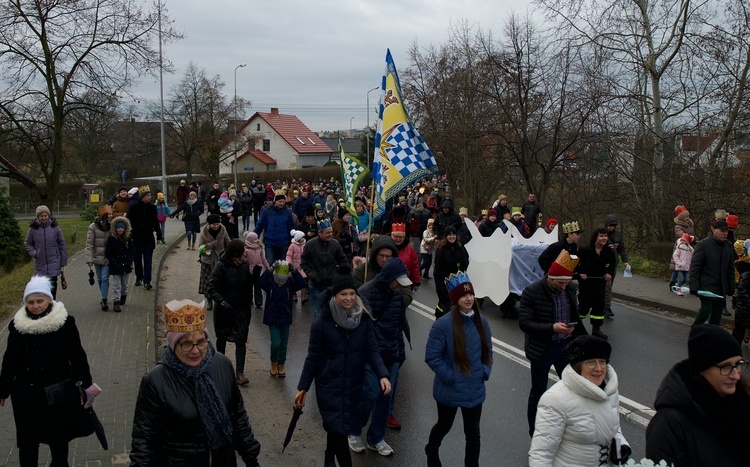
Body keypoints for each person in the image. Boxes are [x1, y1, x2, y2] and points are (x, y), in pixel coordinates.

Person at [130, 299, 261, 466]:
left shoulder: (222, 365)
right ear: (173, 344)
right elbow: (143, 440)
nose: (195, 350)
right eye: (186, 344)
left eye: (201, 341)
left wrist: (251, 457)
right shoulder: (156, 381)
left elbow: (237, 416)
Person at [295, 265, 392, 467]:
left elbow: (372, 350)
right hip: (329, 384)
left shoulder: (363, 319)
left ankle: (329, 459)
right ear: (334, 296)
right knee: (338, 430)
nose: (348, 298)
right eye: (343, 294)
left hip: (354, 385)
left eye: (351, 293)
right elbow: (312, 357)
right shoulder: (321, 323)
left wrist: (382, 374)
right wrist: (303, 387)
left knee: (338, 428)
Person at [0, 275, 101, 466]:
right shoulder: (17, 326)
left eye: (40, 301)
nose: (35, 305)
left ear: (49, 300)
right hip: (26, 395)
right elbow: (10, 358)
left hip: (58, 392)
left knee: (58, 441)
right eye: (30, 302)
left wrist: (85, 387)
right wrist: (3, 388)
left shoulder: (64, 323)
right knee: (28, 443)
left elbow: (78, 356)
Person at [646, 324, 750, 466]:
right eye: (725, 366)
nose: (736, 375)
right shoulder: (669, 425)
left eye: (738, 364)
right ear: (702, 369)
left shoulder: (742, 401)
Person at [529, 335, 631, 466]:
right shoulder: (555, 399)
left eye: (602, 361)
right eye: (591, 362)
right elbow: (540, 455)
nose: (599, 368)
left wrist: (621, 445)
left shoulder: (610, 391)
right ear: (578, 366)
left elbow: (613, 429)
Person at [425, 272, 492, 467]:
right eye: (463, 295)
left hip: (475, 388)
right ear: (455, 298)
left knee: (473, 434)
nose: (469, 298)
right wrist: (451, 376)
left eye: (470, 294)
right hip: (450, 389)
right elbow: (432, 357)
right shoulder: (442, 324)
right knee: (444, 426)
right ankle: (432, 449)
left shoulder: (482, 322)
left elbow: (488, 351)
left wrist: (484, 372)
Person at [519, 251, 587, 436]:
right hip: (543, 348)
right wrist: (552, 328)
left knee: (572, 389)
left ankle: (567, 429)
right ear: (551, 278)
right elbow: (525, 323)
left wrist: (581, 337)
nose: (564, 287)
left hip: (565, 346)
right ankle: (536, 432)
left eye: (567, 283)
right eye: (561, 283)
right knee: (539, 391)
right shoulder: (532, 292)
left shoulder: (570, 289)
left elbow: (575, 316)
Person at [349, 258, 412, 457]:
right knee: (369, 393)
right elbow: (356, 328)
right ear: (389, 277)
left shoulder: (397, 297)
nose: (399, 286)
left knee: (385, 398)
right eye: (398, 281)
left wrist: (399, 355)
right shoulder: (365, 293)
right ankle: (354, 430)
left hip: (390, 355)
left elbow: (399, 326)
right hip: (370, 356)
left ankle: (376, 438)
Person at [208, 239, 256, 386]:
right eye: (243, 251)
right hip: (224, 310)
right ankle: (221, 370)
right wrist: (222, 302)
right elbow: (212, 287)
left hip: (241, 309)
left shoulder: (245, 264)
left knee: (241, 340)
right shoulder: (221, 266)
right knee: (221, 338)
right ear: (235, 253)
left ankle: (239, 373)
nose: (245, 253)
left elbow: (248, 283)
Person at [258, 261, 306, 377]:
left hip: (285, 318)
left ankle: (281, 363)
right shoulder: (270, 283)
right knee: (275, 343)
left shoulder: (290, 284)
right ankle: (273, 361)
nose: (280, 282)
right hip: (272, 318)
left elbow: (302, 283)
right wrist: (270, 269)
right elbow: (261, 282)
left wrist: (294, 271)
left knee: (283, 344)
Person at [689, 219, 735, 325]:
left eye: (726, 231)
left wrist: (731, 285)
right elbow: (695, 267)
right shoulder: (703, 245)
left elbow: (730, 267)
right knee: (706, 309)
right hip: (706, 285)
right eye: (721, 231)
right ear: (713, 230)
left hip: (720, 286)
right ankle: (696, 329)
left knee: (717, 314)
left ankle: (712, 334)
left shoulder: (728, 245)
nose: (724, 233)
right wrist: (694, 285)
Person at [301, 219, 347, 317]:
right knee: (318, 313)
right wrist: (311, 275)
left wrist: (338, 274)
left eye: (331, 232)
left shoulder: (335, 244)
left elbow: (343, 261)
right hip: (316, 284)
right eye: (327, 233)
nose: (330, 234)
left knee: (332, 312)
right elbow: (304, 262)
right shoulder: (310, 244)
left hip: (331, 284)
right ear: (320, 233)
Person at [577, 227, 616, 340]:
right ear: (595, 237)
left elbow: (612, 265)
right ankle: (575, 325)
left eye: (605, 236)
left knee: (599, 306)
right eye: (601, 236)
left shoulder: (609, 252)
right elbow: (576, 264)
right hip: (586, 283)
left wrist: (609, 274)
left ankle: (596, 329)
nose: (604, 238)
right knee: (584, 307)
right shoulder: (584, 250)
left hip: (600, 282)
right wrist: (581, 273)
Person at [24, 205, 67, 299]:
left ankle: (52, 305)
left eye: (45, 215)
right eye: (41, 216)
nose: (44, 218)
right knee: (43, 287)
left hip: (53, 262)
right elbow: (27, 243)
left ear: (48, 216)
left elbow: (62, 244)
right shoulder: (33, 228)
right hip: (40, 263)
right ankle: (44, 306)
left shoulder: (55, 227)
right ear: (38, 217)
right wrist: (35, 254)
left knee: (53, 286)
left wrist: (63, 262)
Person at [127, 185, 162, 290]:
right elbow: (129, 222)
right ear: (142, 197)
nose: (149, 197)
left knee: (148, 261)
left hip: (148, 238)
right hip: (136, 238)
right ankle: (139, 277)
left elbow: (156, 222)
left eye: (150, 195)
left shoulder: (152, 208)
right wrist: (129, 235)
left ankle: (147, 280)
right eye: (147, 196)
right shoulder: (133, 208)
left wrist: (159, 234)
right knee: (137, 259)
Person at [433, 225, 469, 318]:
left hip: (459, 283)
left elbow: (466, 262)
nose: (452, 236)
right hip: (446, 285)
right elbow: (437, 272)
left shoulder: (460, 247)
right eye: (449, 235)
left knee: (461, 311)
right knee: (446, 310)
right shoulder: (441, 250)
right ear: (445, 236)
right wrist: (442, 291)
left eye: (453, 234)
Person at [197, 214, 230, 311]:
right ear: (209, 224)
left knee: (220, 280)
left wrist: (232, 249)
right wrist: (211, 245)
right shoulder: (204, 231)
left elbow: (227, 239)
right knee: (208, 281)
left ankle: (219, 299)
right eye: (213, 224)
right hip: (207, 259)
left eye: (217, 224)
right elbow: (200, 246)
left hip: (220, 257)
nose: (216, 226)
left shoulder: (223, 229)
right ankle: (209, 299)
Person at [254, 194, 296, 265]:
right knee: (269, 263)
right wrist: (255, 236)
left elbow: (291, 227)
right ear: (275, 201)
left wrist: (293, 239)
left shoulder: (287, 213)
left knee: (283, 264)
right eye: (280, 201)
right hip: (270, 242)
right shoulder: (267, 211)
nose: (281, 203)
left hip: (283, 242)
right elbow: (260, 224)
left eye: (283, 201)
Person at [85, 205, 113, 311]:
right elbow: (89, 244)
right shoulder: (93, 227)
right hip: (97, 257)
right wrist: (89, 259)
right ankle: (103, 295)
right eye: (109, 214)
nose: (111, 216)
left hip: (108, 257)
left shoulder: (112, 226)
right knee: (100, 278)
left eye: (111, 214)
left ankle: (104, 299)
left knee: (105, 278)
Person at [105, 217, 134, 312]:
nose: (120, 229)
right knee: (116, 284)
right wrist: (113, 260)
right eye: (118, 228)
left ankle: (124, 295)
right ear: (115, 229)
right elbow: (108, 252)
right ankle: (116, 301)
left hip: (125, 264)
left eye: (122, 228)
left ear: (125, 228)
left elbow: (132, 251)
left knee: (124, 284)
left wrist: (129, 259)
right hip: (116, 265)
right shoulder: (112, 239)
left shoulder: (128, 239)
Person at [603, 215, 628, 318]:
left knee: (609, 286)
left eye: (613, 226)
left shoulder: (617, 235)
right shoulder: (602, 234)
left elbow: (621, 248)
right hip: (603, 264)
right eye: (610, 226)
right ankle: (606, 307)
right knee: (606, 287)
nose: (611, 228)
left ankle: (604, 305)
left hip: (613, 264)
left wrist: (625, 261)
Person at [244, 231, 270, 309]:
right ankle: (249, 300)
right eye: (255, 239)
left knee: (258, 285)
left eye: (257, 239)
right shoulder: (246, 248)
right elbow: (243, 259)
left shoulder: (259, 247)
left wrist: (267, 266)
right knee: (249, 286)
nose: (257, 240)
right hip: (249, 269)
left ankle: (259, 301)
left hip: (258, 268)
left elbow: (263, 258)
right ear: (250, 240)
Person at [391, 223, 421, 290]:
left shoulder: (409, 249)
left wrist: (416, 282)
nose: (398, 239)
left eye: (401, 237)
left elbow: (414, 266)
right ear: (391, 235)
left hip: (404, 282)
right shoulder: (386, 246)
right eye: (396, 236)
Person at [286, 229, 308, 303]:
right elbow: (289, 255)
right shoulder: (292, 246)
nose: (303, 239)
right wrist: (288, 262)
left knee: (304, 281)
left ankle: (303, 296)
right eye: (301, 237)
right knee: (294, 281)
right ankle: (294, 294)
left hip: (303, 266)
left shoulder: (305, 245)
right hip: (294, 267)